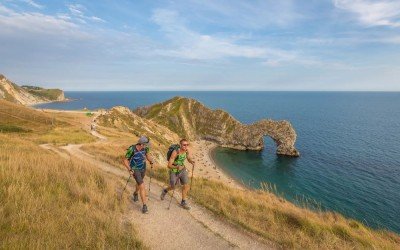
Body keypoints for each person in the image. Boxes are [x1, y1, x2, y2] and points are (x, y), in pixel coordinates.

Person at [160, 139, 195, 210]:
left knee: (186, 185)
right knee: (173, 187)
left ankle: (183, 202)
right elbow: (169, 165)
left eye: (187, 145)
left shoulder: (186, 151)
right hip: (174, 171)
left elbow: (188, 158)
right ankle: (165, 191)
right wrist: (177, 167)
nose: (186, 146)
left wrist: (191, 161)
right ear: (180, 145)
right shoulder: (175, 152)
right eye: (184, 145)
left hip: (182, 170)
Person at [124, 136, 154, 214]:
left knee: (139, 183)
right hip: (135, 169)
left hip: (143, 168)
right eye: (146, 144)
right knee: (142, 186)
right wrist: (129, 169)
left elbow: (147, 155)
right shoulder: (132, 149)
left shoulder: (146, 148)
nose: (147, 146)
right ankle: (144, 206)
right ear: (142, 144)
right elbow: (125, 160)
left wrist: (150, 161)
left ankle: (135, 193)